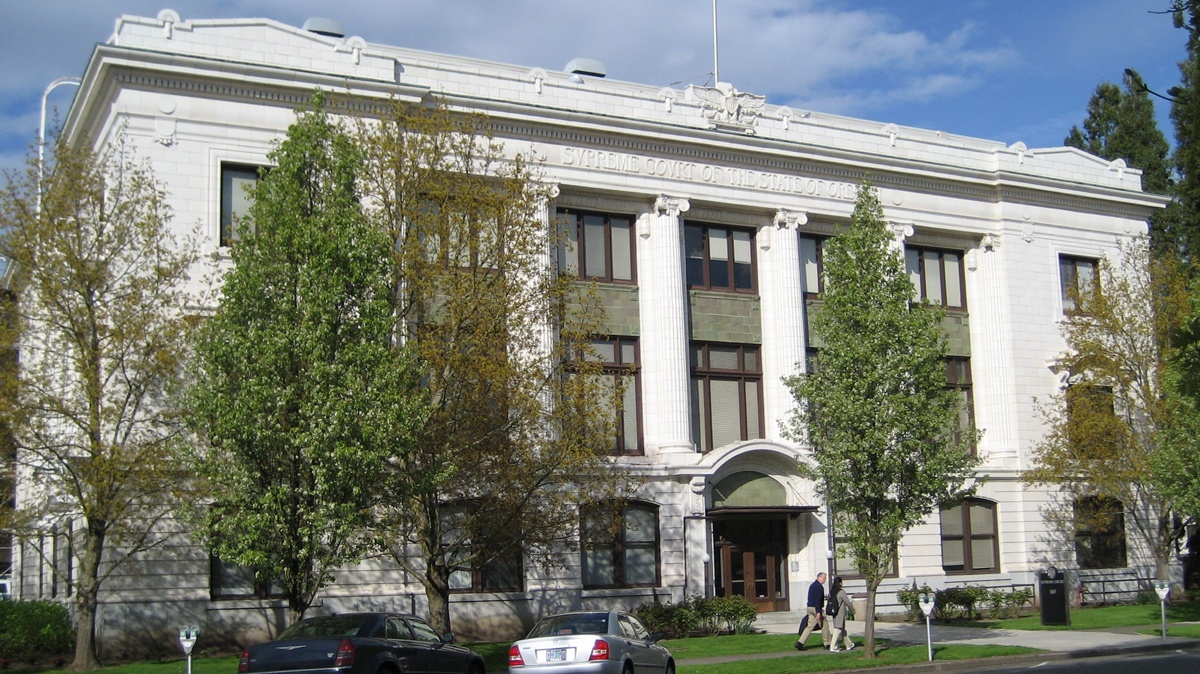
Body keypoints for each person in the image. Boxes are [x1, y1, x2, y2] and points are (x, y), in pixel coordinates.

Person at [795, 571, 830, 650]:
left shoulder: (813, 585)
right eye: (824, 578)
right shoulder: (819, 587)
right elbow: (818, 600)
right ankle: (827, 643)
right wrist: (818, 612)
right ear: (819, 577)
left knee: (810, 626)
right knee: (824, 625)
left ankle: (800, 643)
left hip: (810, 608)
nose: (825, 580)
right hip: (816, 608)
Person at [828, 575, 855, 652]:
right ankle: (832, 647)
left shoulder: (832, 591)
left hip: (834, 613)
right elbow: (847, 602)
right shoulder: (841, 592)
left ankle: (849, 644)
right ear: (840, 583)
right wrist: (853, 610)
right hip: (840, 613)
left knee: (842, 629)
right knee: (838, 629)